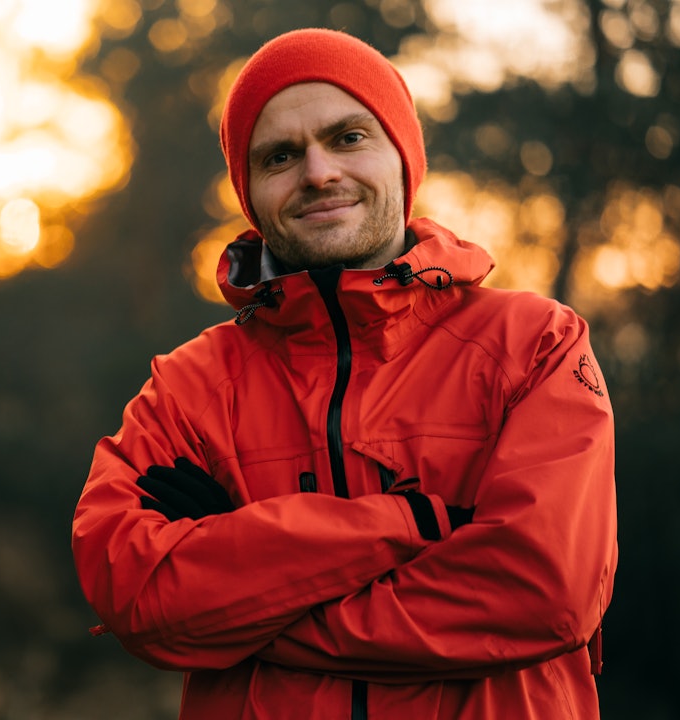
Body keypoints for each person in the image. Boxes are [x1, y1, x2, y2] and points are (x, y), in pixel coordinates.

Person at [71, 27, 617, 719]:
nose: (318, 172)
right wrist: (409, 521)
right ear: (251, 191)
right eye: (280, 155)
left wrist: (253, 606)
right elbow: (133, 588)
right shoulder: (187, 389)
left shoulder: (535, 346)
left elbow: (543, 591)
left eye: (348, 137)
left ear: (402, 158)